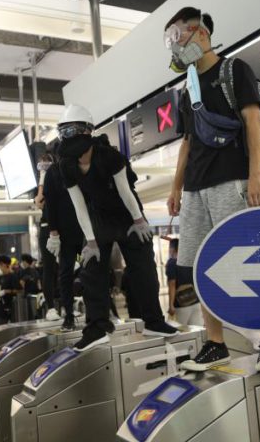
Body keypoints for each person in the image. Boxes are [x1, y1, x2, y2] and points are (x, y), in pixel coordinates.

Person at [160, 7, 260, 372]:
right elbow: (186, 141)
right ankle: (215, 343)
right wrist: (176, 187)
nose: (174, 46)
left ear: (201, 34)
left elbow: (252, 120)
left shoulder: (233, 70)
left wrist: (256, 173)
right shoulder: (187, 87)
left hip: (233, 179)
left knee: (251, 260)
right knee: (199, 268)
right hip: (196, 188)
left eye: (177, 36)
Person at [56, 103, 178, 351]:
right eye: (63, 131)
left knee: (142, 266)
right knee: (91, 269)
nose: (67, 137)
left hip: (128, 215)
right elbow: (79, 205)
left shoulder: (109, 156)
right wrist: (90, 240)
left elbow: (125, 191)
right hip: (99, 217)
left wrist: (139, 220)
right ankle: (97, 327)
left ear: (87, 131)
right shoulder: (66, 165)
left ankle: (154, 320)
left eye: (72, 130)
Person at [43, 149, 85, 332]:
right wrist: (53, 232)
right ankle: (68, 314)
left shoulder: (80, 166)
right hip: (67, 232)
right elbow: (49, 204)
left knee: (90, 270)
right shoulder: (53, 172)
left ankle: (97, 313)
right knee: (66, 273)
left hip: (84, 230)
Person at [35, 153, 63, 323]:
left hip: (63, 229)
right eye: (41, 165)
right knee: (49, 268)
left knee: (69, 265)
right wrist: (42, 178)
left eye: (46, 164)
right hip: (47, 230)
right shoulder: (40, 185)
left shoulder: (60, 179)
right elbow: (40, 201)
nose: (44, 166)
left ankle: (67, 305)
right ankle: (51, 308)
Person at [165, 238, 202, 326]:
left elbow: (172, 284)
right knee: (197, 331)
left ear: (172, 249)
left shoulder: (172, 263)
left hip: (181, 304)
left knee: (181, 334)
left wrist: (171, 305)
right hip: (196, 301)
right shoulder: (190, 261)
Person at [0, 255, 21, 324]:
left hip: (7, 311)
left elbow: (20, 290)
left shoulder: (12, 276)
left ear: (4, 264)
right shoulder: (0, 277)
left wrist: (6, 291)